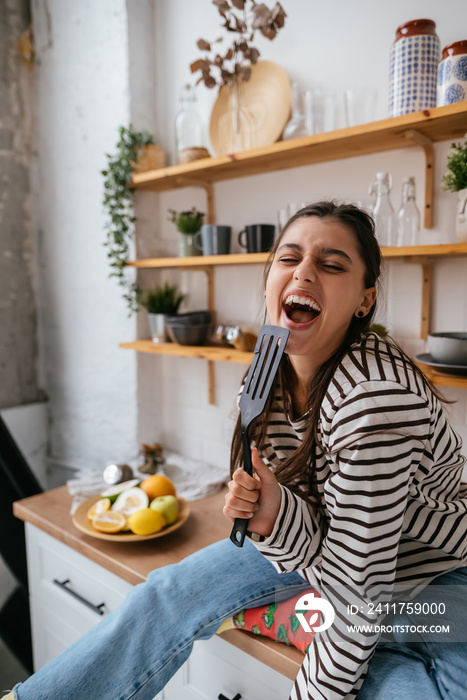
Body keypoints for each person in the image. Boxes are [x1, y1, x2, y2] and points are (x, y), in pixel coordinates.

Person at [5, 201, 467, 700]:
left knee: (398, 682)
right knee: (167, 594)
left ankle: (312, 621)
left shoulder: (374, 401)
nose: (305, 272)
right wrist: (275, 516)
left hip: (434, 575)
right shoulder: (269, 366)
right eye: (289, 259)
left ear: (364, 299)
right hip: (341, 554)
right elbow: (311, 536)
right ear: (270, 277)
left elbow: (360, 594)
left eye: (332, 265)